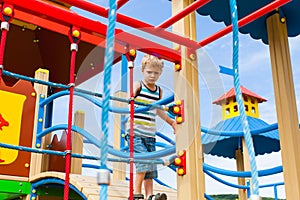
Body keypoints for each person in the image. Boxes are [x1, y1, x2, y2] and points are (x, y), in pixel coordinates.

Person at [126, 54, 176, 200]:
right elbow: (129, 99)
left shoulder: (159, 91)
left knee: (151, 168)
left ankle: (150, 196)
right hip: (135, 132)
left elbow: (158, 110)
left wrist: (171, 122)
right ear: (142, 70)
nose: (152, 76)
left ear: (160, 73)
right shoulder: (138, 85)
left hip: (150, 135)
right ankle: (136, 194)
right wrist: (130, 99)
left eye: (156, 73)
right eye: (149, 72)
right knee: (143, 163)